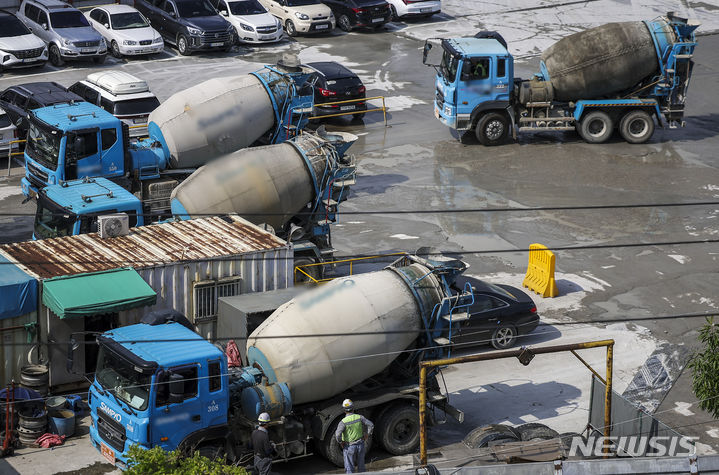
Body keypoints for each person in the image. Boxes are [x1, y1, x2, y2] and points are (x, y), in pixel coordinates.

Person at [334, 399, 374, 473]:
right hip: (361, 445)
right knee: (361, 466)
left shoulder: (343, 422)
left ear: (344, 410)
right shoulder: (359, 417)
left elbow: (338, 435)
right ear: (353, 408)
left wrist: (341, 442)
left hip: (349, 447)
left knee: (349, 468)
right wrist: (367, 435)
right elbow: (371, 425)